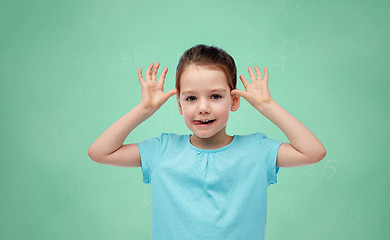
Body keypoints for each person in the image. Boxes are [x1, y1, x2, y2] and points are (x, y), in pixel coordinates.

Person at [88, 44, 326, 240]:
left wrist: (267, 106)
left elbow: (313, 152)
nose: (203, 108)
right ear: (179, 104)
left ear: (234, 100)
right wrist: (143, 110)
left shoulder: (257, 151)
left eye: (215, 96)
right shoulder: (162, 150)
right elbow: (100, 152)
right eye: (191, 98)